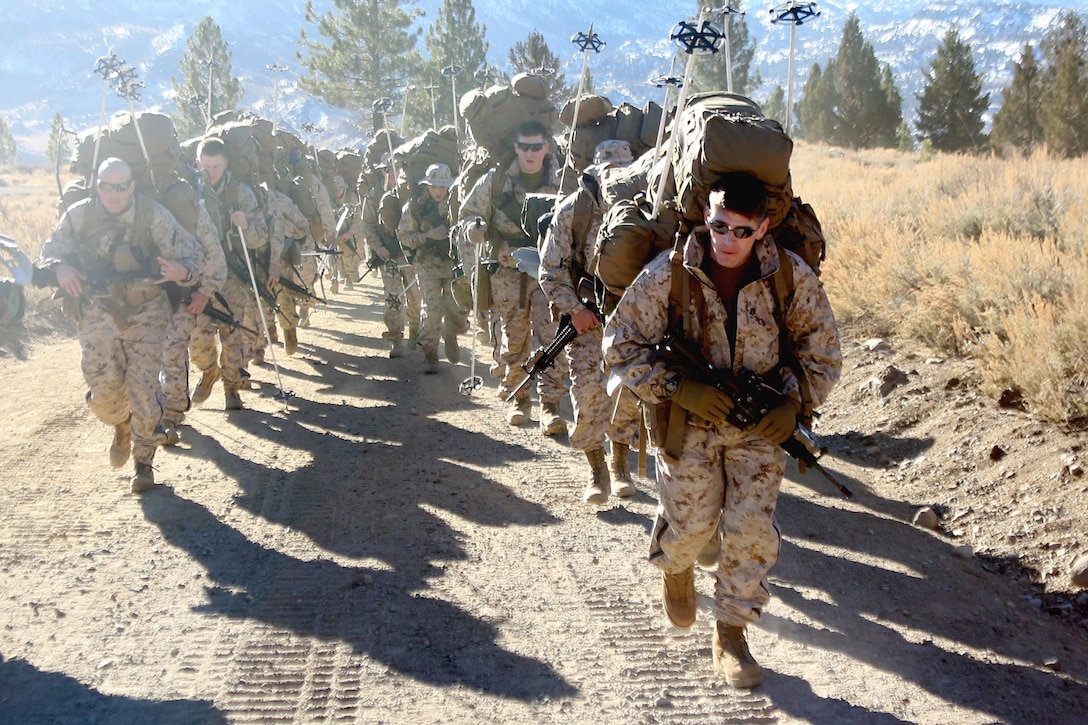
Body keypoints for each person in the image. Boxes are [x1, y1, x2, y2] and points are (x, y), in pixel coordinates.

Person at [602, 172, 841, 687]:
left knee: (751, 531)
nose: (726, 241)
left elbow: (822, 353)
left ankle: (731, 632)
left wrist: (794, 404)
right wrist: (677, 389)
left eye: (740, 230)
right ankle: (676, 564)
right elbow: (619, 346)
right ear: (705, 217)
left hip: (759, 427)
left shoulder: (790, 277)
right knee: (691, 527)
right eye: (717, 226)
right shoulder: (670, 273)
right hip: (688, 424)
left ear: (764, 227)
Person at [39, 157, 203, 492]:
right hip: (98, 313)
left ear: (131, 186)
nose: (114, 194)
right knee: (105, 392)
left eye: (121, 186)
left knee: (143, 388)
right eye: (106, 186)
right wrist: (60, 268)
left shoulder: (153, 214)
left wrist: (180, 272)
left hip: (146, 313)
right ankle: (122, 423)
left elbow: (193, 255)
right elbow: (50, 250)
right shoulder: (81, 215)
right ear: (97, 185)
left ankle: (144, 464)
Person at [540, 140, 641, 503]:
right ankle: (596, 470)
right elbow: (549, 270)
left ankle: (620, 466)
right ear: (595, 172)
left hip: (630, 318)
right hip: (585, 317)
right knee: (587, 390)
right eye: (609, 171)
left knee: (626, 392)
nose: (616, 178)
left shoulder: (643, 205)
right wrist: (574, 309)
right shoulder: (573, 210)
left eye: (623, 171)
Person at [459, 120, 569, 435]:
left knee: (553, 338)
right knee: (513, 338)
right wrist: (473, 229)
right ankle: (519, 397)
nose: (530, 153)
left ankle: (551, 405)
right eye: (524, 146)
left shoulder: (562, 181)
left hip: (549, 271)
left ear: (547, 147)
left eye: (537, 146)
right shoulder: (494, 181)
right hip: (507, 272)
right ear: (516, 147)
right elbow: (467, 215)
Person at [189, 136, 268, 411]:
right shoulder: (187, 192)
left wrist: (245, 226)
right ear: (197, 162)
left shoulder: (240, 193)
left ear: (226, 164)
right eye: (206, 166)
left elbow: (260, 238)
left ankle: (231, 388)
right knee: (198, 335)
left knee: (232, 332)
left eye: (217, 166)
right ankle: (209, 371)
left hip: (232, 274)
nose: (210, 172)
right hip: (198, 275)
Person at [398, 163, 466, 374]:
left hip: (454, 264)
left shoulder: (459, 205)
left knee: (457, 310)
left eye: (442, 186)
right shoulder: (415, 207)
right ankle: (430, 353)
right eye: (434, 186)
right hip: (427, 265)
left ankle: (451, 333)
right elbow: (404, 237)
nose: (438, 191)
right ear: (427, 186)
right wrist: (428, 236)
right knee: (432, 309)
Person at [358, 155, 420, 358]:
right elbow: (367, 225)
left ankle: (415, 331)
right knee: (393, 298)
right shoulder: (374, 197)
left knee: (415, 296)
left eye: (396, 168)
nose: (392, 173)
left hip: (411, 255)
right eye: (387, 169)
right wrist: (376, 247)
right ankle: (396, 338)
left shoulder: (412, 192)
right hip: (388, 257)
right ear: (382, 171)